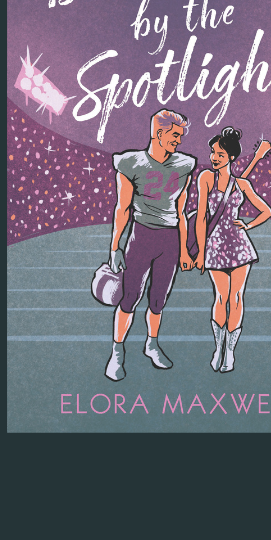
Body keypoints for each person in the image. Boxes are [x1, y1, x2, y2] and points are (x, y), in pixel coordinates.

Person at [104, 109, 196, 381]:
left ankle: (151, 344)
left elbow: (181, 211)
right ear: (158, 133)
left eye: (180, 136)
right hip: (142, 234)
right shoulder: (131, 162)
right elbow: (122, 208)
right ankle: (117, 352)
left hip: (169, 239)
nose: (179, 141)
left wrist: (183, 250)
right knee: (129, 297)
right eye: (175, 135)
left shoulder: (184, 165)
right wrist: (115, 247)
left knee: (158, 299)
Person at [194, 127, 271, 371]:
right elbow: (200, 217)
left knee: (237, 297)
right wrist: (200, 251)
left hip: (239, 247)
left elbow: (266, 211)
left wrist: (248, 224)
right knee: (221, 296)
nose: (213, 156)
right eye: (212, 152)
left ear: (230, 156)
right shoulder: (206, 177)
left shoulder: (243, 184)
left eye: (218, 153)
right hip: (215, 246)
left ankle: (230, 351)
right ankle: (218, 346)